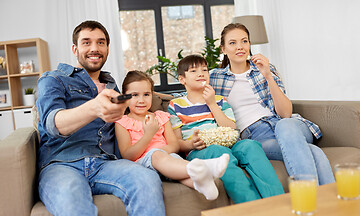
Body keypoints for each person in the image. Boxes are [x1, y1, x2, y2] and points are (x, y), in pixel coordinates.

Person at [36, 20, 167, 216]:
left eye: (101, 42)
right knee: (71, 196)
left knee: (146, 179)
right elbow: (53, 123)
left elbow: (141, 98)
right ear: (75, 49)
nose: (94, 48)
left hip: (105, 163)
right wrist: (93, 107)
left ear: (107, 49)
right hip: (61, 164)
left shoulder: (113, 87)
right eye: (86, 42)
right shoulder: (53, 79)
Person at [209, 23, 335, 185]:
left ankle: (307, 200)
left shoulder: (264, 68)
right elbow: (188, 94)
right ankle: (328, 204)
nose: (240, 47)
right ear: (223, 49)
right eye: (232, 43)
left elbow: (285, 114)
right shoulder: (214, 77)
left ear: (249, 44)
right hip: (256, 136)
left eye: (244, 41)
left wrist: (268, 75)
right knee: (314, 152)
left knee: (286, 125)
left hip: (288, 126)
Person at [168, 54, 284, 204]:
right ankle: (251, 205)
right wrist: (191, 144)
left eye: (204, 69)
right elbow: (176, 142)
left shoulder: (219, 100)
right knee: (219, 152)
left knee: (251, 146)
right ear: (182, 79)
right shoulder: (176, 105)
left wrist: (211, 104)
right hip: (200, 150)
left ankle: (278, 202)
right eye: (193, 71)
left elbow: (231, 128)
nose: (201, 73)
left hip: (229, 144)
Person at [115, 70, 230, 200]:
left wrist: (162, 153)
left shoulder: (160, 117)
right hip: (142, 163)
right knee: (157, 156)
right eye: (134, 95)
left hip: (167, 158)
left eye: (146, 94)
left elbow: (174, 145)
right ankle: (205, 167)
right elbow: (127, 155)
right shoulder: (122, 122)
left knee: (178, 167)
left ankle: (204, 186)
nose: (141, 100)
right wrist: (149, 136)